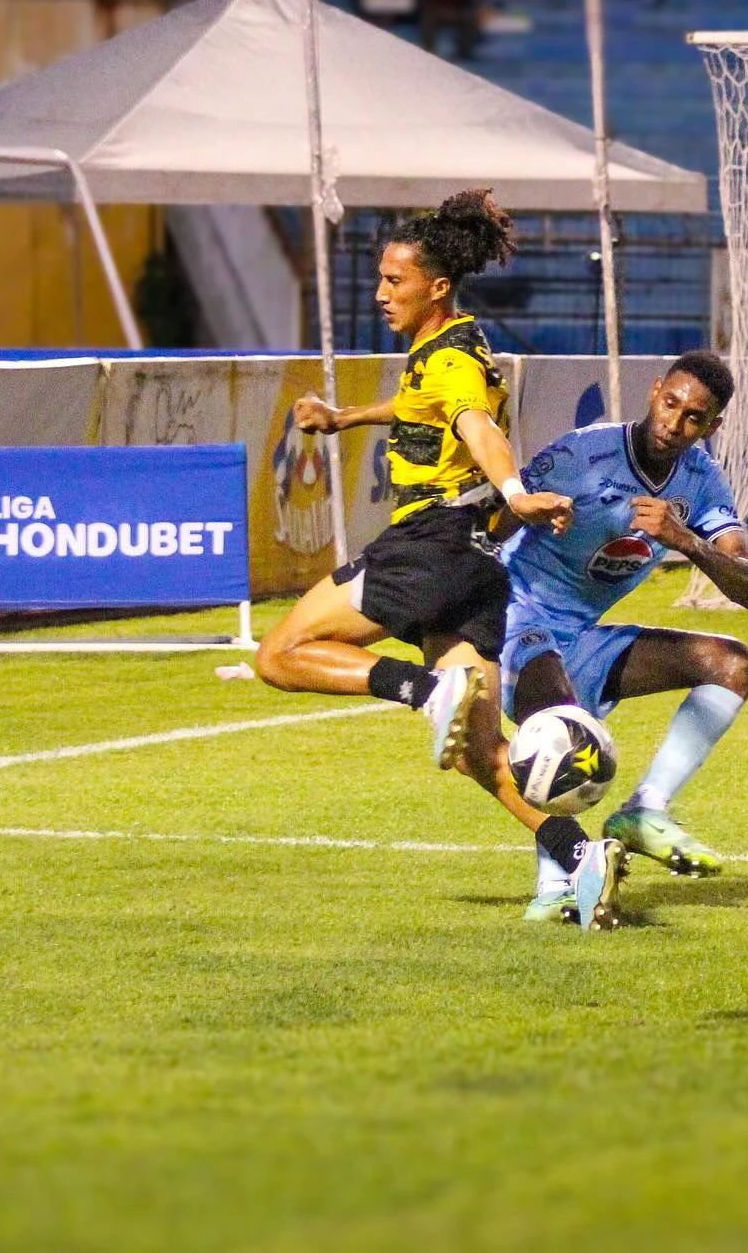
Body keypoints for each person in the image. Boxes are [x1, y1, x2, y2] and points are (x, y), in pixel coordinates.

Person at [255, 191, 629, 932]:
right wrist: (346, 417)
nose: (381, 292)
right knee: (477, 749)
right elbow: (420, 405)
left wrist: (516, 488)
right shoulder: (456, 344)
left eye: (395, 281)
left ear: (437, 286)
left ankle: (423, 689)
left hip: (431, 544)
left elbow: (474, 424)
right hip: (477, 564)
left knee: (281, 653)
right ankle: (578, 853)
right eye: (381, 278)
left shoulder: (450, 357)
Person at [499, 352, 748, 922]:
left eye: (695, 417)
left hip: (585, 636)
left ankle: (644, 811)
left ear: (712, 426)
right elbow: (498, 517)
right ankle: (556, 887)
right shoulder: (582, 453)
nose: (675, 422)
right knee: (562, 735)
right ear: (653, 391)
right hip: (519, 621)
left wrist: (686, 540)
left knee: (735, 664)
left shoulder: (700, 483)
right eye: (671, 404)